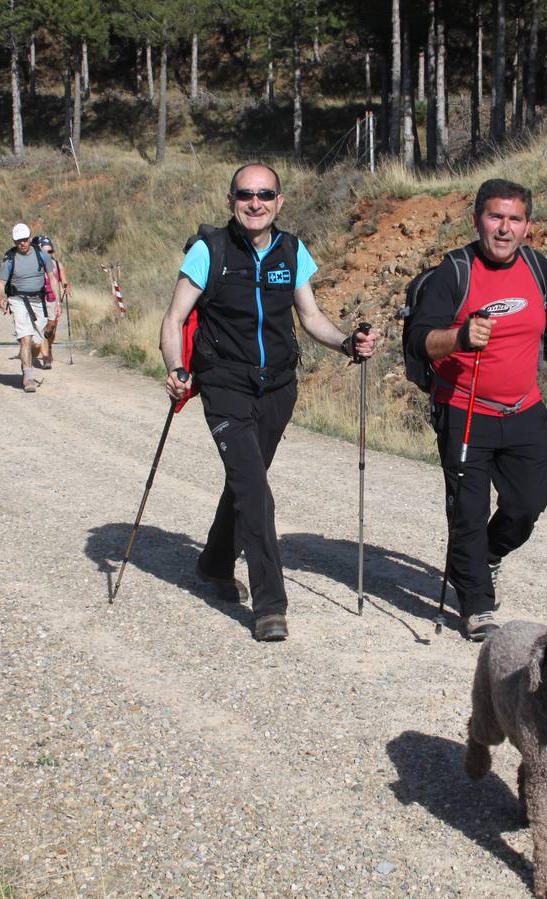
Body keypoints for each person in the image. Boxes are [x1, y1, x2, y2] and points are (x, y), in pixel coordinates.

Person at [159, 163, 377, 642]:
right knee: (255, 489)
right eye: (245, 194)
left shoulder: (293, 250)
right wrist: (177, 370)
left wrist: (345, 344)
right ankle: (270, 605)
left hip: (278, 386)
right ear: (231, 199)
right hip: (225, 384)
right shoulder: (208, 251)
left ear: (280, 201)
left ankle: (215, 562)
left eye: (264, 194)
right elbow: (174, 319)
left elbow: (311, 315)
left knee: (246, 481)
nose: (254, 202)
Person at [403, 178, 547, 642]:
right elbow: (420, 339)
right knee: (468, 512)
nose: (504, 228)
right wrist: (459, 338)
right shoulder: (453, 271)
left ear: (527, 226)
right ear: (477, 218)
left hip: (524, 411)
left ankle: (487, 556)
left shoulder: (539, 269)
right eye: (495, 217)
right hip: (464, 410)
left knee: (527, 505)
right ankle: (477, 605)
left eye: (514, 219)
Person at [0, 223, 55, 393]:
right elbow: (1, 285)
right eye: (18, 241)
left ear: (30, 238)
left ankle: (26, 362)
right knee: (25, 338)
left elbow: (52, 277)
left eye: (25, 240)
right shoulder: (9, 260)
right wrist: (1, 298)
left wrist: (56, 302)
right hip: (18, 299)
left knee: (37, 342)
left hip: (39, 300)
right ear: (14, 241)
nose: (22, 243)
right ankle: (28, 376)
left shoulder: (42, 256)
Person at [36, 235, 68, 369]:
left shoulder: (57, 264)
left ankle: (49, 346)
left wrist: (66, 287)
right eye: (45, 251)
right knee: (43, 326)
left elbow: (64, 280)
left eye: (50, 251)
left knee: (52, 328)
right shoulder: (35, 264)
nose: (48, 254)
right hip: (39, 298)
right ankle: (46, 357)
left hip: (53, 299)